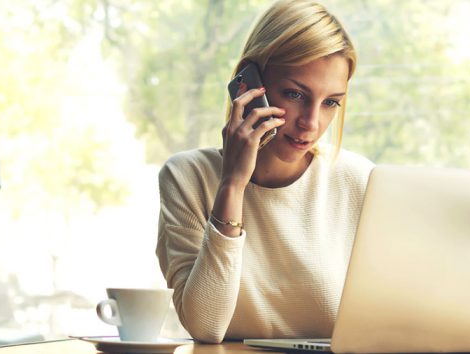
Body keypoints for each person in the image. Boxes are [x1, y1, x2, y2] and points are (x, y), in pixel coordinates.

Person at [156, 0, 374, 343]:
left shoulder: (359, 181)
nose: (311, 122)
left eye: (331, 102)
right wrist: (232, 184)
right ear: (248, 84)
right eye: (294, 94)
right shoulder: (187, 177)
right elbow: (206, 326)